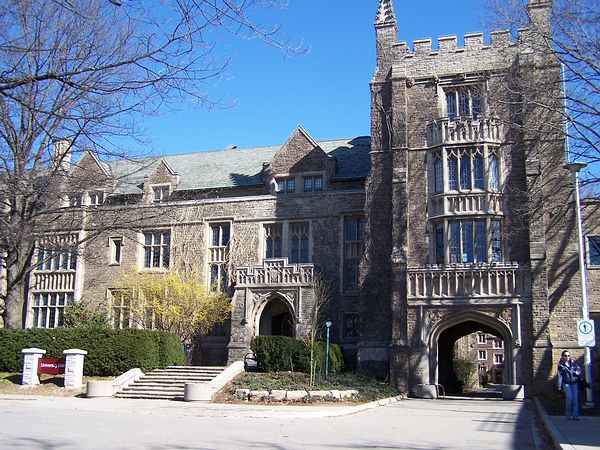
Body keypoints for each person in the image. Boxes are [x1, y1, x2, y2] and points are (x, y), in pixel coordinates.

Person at [557, 350, 582, 420]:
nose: (567, 357)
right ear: (562, 357)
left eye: (568, 355)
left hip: (574, 383)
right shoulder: (561, 365)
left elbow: (579, 369)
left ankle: (575, 416)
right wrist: (559, 385)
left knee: (575, 399)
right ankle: (568, 414)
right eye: (565, 356)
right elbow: (559, 375)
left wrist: (577, 372)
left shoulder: (573, 363)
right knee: (569, 398)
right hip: (567, 383)